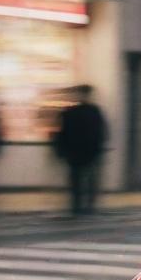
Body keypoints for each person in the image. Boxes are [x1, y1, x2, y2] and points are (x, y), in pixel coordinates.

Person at [55, 85, 108, 215]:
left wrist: (61, 150)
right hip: (87, 151)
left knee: (77, 180)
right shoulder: (94, 111)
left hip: (77, 151)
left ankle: (78, 205)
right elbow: (101, 131)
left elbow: (62, 133)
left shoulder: (70, 112)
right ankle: (87, 205)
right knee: (88, 179)